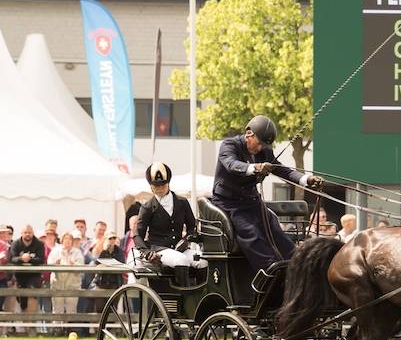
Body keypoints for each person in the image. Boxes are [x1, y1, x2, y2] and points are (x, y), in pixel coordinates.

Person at [211, 115, 323, 272]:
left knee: (275, 230)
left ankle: (296, 266)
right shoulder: (230, 145)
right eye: (259, 144)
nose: (260, 149)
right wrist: (255, 168)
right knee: (251, 233)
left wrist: (306, 179)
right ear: (249, 134)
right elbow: (231, 164)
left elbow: (283, 170)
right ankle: (271, 272)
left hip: (252, 201)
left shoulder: (264, 151)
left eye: (264, 145)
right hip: (229, 203)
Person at [136, 163, 206, 277]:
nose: (159, 188)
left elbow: (191, 226)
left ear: (168, 183)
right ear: (150, 186)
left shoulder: (182, 202)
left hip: (180, 248)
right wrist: (147, 253)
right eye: (156, 186)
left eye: (162, 185)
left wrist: (186, 239)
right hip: (160, 249)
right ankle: (185, 294)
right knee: (181, 260)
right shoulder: (147, 207)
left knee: (203, 261)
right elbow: (138, 234)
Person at [9, 224, 46, 317]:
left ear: (33, 233)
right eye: (25, 232)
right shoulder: (15, 244)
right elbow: (12, 259)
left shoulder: (39, 244)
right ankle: (25, 324)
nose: (27, 234)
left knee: (32, 295)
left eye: (29, 232)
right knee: (22, 300)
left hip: (34, 275)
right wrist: (22, 258)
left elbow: (41, 259)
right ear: (21, 234)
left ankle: (30, 325)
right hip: (19, 275)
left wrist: (29, 259)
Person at [48, 230, 85, 317]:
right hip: (57, 285)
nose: (67, 241)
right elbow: (49, 264)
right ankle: (57, 329)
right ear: (62, 240)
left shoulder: (77, 252)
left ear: (72, 241)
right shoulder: (55, 251)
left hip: (73, 286)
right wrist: (55, 264)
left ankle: (70, 329)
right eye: (65, 238)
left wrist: (74, 264)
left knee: (71, 310)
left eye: (69, 239)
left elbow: (81, 267)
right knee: (57, 309)